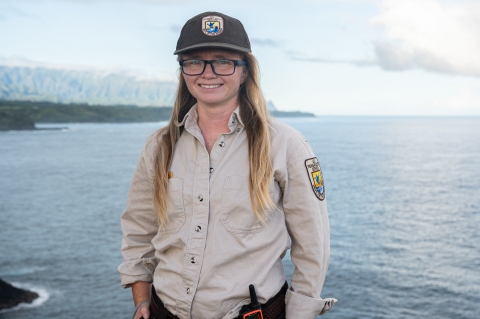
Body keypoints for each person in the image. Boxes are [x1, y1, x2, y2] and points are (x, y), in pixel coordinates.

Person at [118, 11, 337, 319]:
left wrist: (299, 313)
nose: (208, 73)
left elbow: (313, 244)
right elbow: (139, 228)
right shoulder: (160, 146)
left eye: (223, 60)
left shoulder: (285, 144)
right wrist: (141, 300)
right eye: (194, 61)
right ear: (183, 71)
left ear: (245, 71)